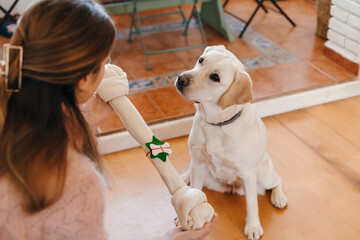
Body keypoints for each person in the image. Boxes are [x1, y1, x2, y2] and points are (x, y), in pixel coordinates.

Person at [0, 0, 217, 239]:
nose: (108, 68)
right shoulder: (78, 184)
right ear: (84, 80)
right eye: (105, 62)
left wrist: (86, 120)